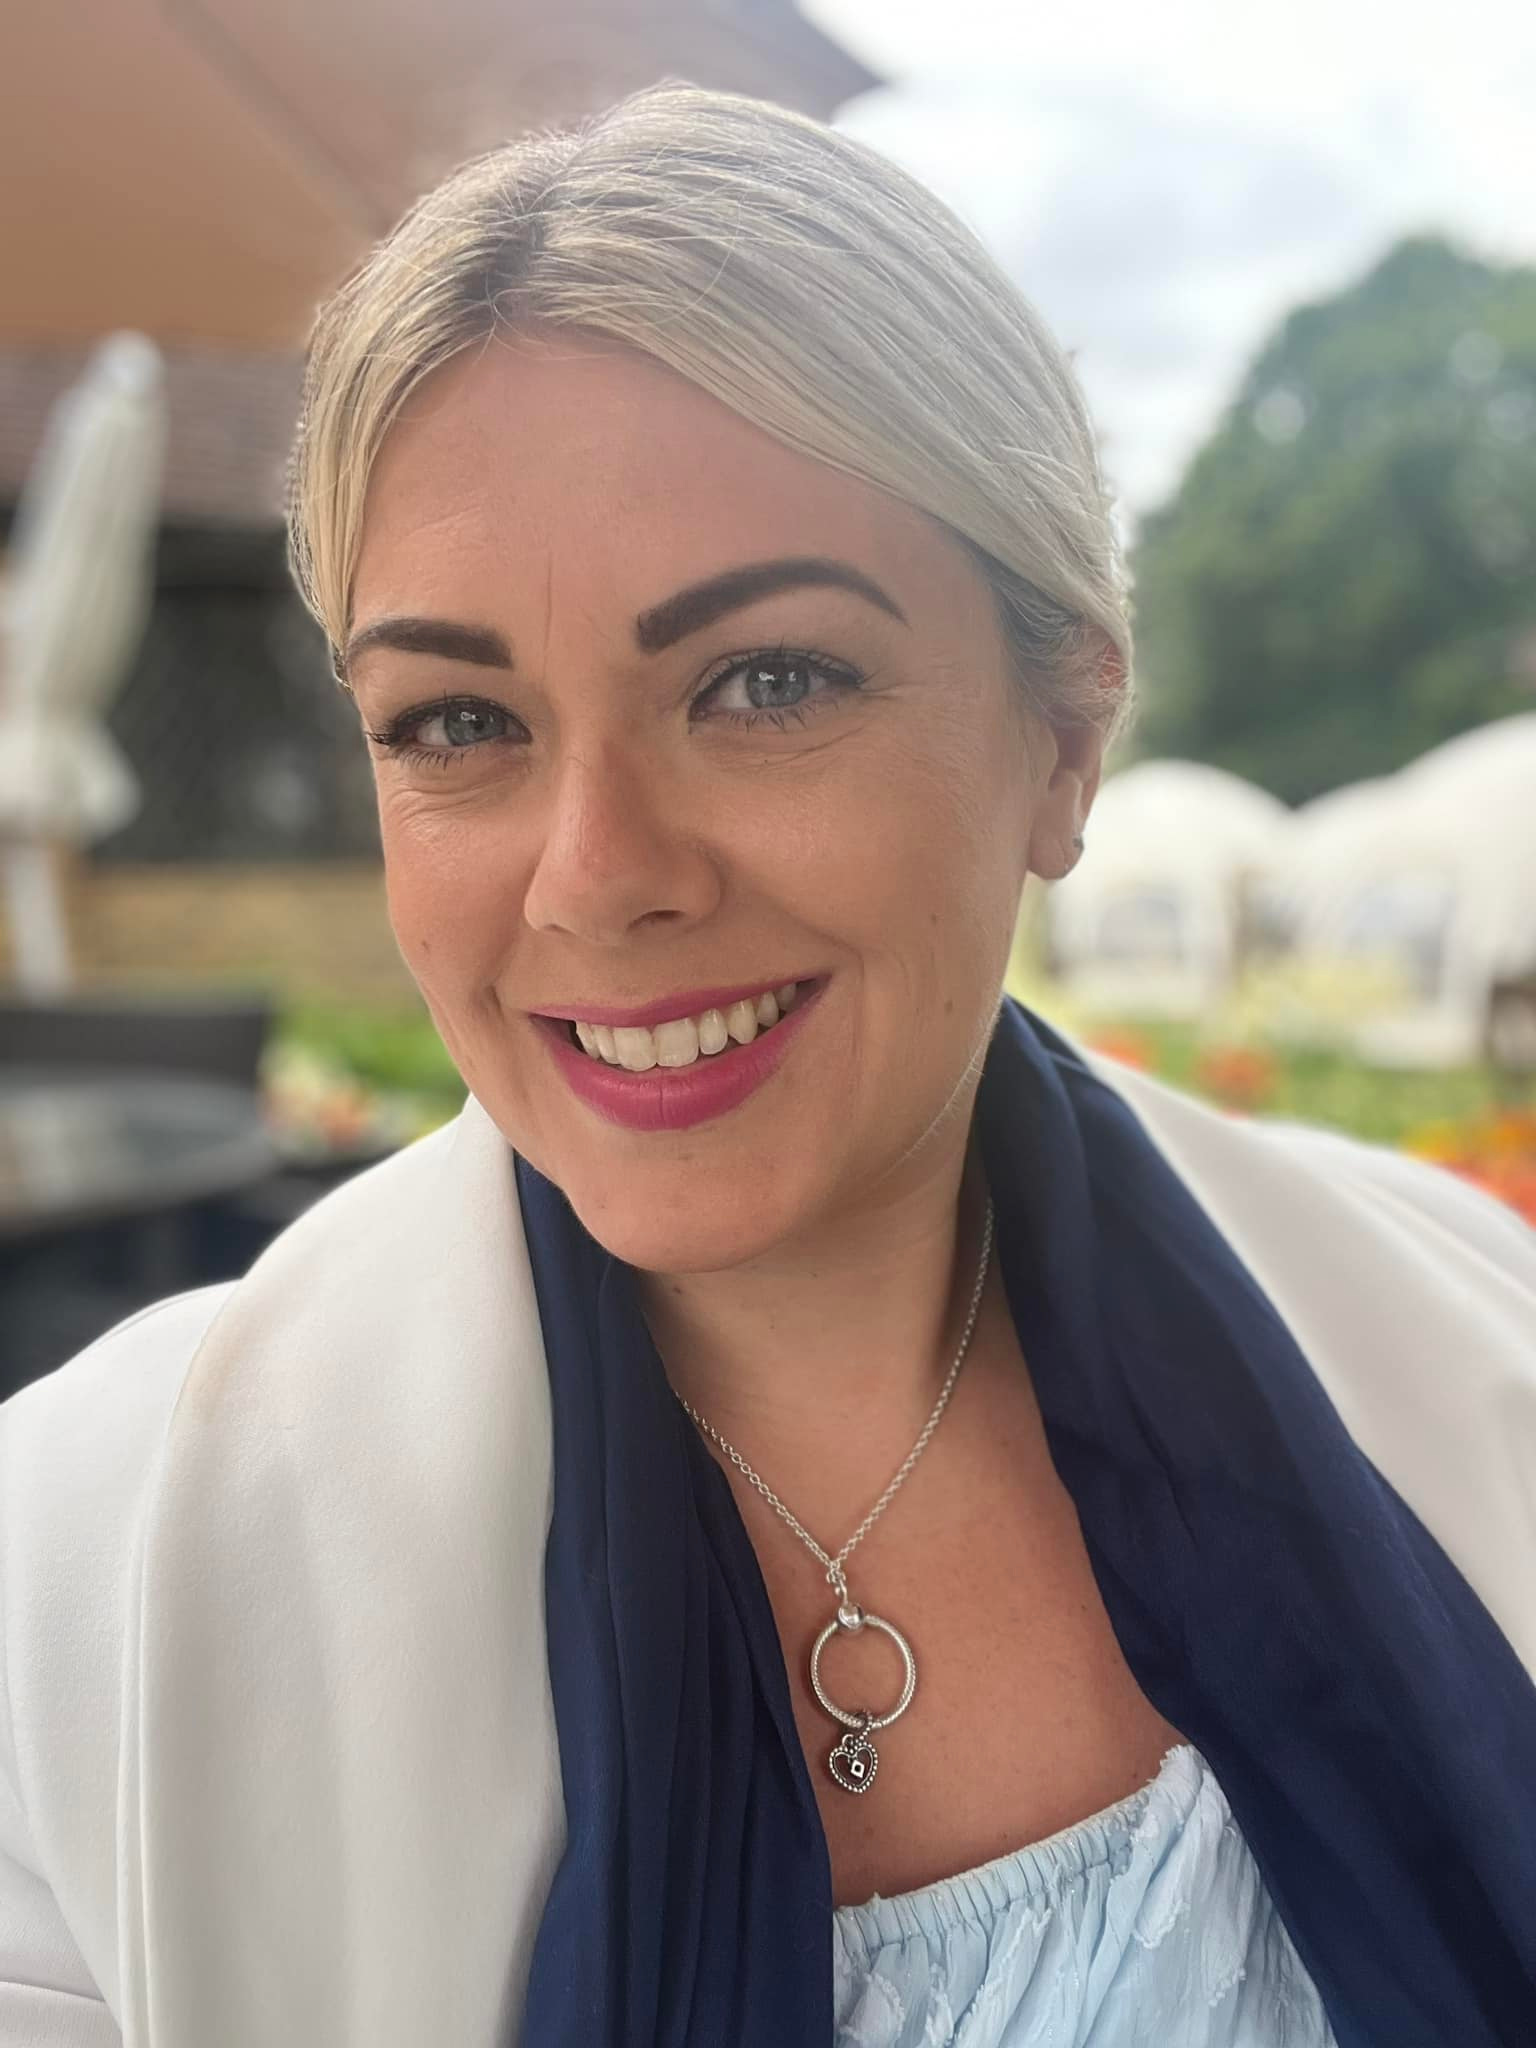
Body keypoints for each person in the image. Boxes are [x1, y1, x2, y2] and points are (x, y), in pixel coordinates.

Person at [2, 85, 1533, 2048]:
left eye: (767, 680)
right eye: (458, 720)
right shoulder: (76, 1603)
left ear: (1061, 741)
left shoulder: (1482, 1354)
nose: (601, 876)